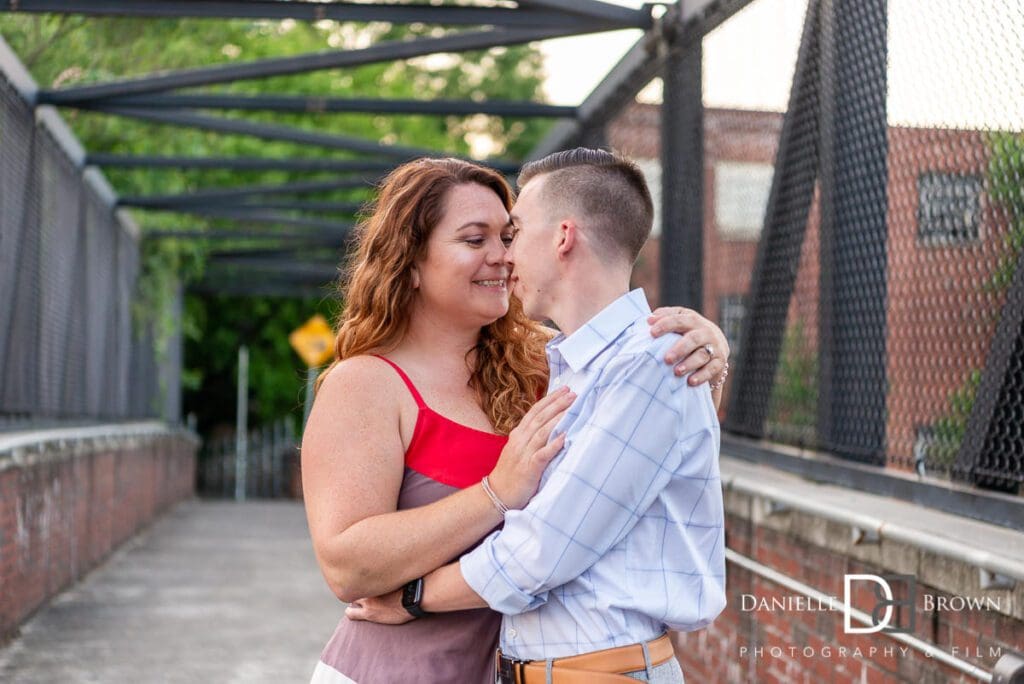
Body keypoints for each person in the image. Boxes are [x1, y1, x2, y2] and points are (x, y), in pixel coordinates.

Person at [303, 156, 730, 684]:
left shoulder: (552, 366)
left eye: (509, 236)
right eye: (474, 240)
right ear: (409, 262)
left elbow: (656, 446)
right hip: (397, 669)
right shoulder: (366, 382)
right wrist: (495, 493)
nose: (503, 257)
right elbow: (346, 567)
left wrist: (707, 350)